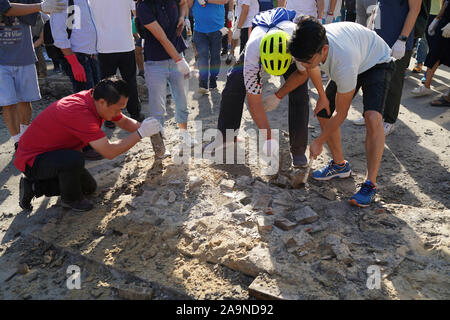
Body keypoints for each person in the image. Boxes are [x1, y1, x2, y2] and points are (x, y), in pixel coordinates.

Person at [15, 76, 162, 212]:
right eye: (118, 108)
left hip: (54, 153)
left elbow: (122, 120)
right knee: (74, 160)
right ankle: (69, 200)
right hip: (32, 160)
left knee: (88, 188)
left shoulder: (97, 100)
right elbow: (109, 151)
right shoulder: (79, 111)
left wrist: (146, 127)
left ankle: (34, 187)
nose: (119, 112)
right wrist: (141, 133)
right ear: (102, 102)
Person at [289, 18, 395, 207]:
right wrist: (322, 96)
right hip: (356, 54)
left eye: (307, 60)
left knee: (372, 117)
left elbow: (342, 112)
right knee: (323, 111)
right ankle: (339, 166)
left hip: (376, 61)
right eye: (300, 60)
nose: (302, 65)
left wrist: (319, 140)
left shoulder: (342, 61)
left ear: (324, 51)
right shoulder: (307, 45)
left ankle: (370, 184)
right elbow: (311, 67)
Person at [208, 9, 330, 170]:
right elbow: (254, 103)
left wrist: (278, 96)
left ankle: (298, 151)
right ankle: (225, 136)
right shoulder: (253, 52)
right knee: (233, 85)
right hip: (260, 41)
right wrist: (268, 138)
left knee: (300, 94)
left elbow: (303, 73)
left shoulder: (296, 45)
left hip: (287, 43)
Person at [1, 0, 67, 151]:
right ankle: (18, 141)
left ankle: (24, 137)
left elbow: (41, 15)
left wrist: (45, 8)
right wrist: (41, 6)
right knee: (8, 103)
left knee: (25, 99)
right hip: (1, 61)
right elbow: (7, 9)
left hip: (25, 56)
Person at [353, 0, 422, 136]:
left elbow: (415, 10)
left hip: (396, 40)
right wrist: (370, 29)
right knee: (371, 79)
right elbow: (378, 5)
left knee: (393, 83)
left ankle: (389, 120)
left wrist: (402, 39)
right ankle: (370, 113)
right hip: (378, 37)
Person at [136, 0, 198, 149]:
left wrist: (183, 18)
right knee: (157, 108)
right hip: (155, 63)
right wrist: (179, 60)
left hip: (177, 56)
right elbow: (161, 37)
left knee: (182, 101)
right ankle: (160, 147)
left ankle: (184, 134)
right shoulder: (144, 7)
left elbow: (183, 4)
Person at [90, 0, 144, 128]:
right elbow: (137, 15)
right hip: (125, 44)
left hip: (104, 46)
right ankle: (135, 113)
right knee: (130, 81)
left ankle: (109, 117)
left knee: (106, 84)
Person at [50, 0, 100, 93]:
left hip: (90, 57)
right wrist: (74, 63)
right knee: (85, 100)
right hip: (77, 58)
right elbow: (59, 35)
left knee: (96, 98)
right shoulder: (63, 1)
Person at [189, 0, 229, 94]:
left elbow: (224, 1)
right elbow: (189, 4)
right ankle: (203, 84)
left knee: (215, 57)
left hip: (216, 29)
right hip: (199, 29)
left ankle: (213, 80)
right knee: (203, 57)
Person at [411, 0, 449, 97]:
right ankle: (426, 86)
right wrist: (437, 19)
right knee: (434, 52)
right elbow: (446, 3)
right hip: (444, 21)